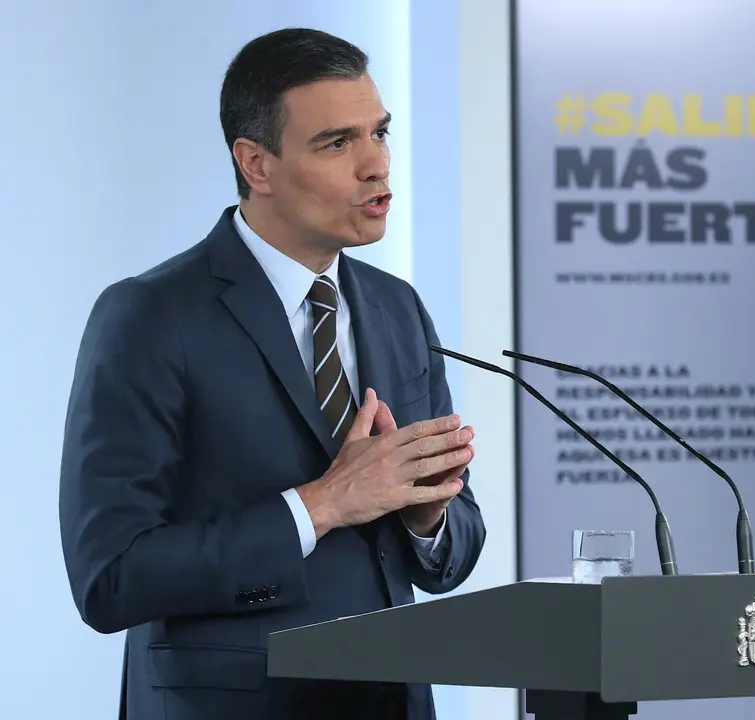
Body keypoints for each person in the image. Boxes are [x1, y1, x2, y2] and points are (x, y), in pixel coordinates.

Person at [58, 27, 486, 720]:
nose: (376, 165)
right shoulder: (151, 316)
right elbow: (110, 577)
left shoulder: (397, 306)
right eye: (338, 143)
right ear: (256, 164)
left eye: (380, 133)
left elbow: (452, 548)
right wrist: (321, 505)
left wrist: (428, 515)